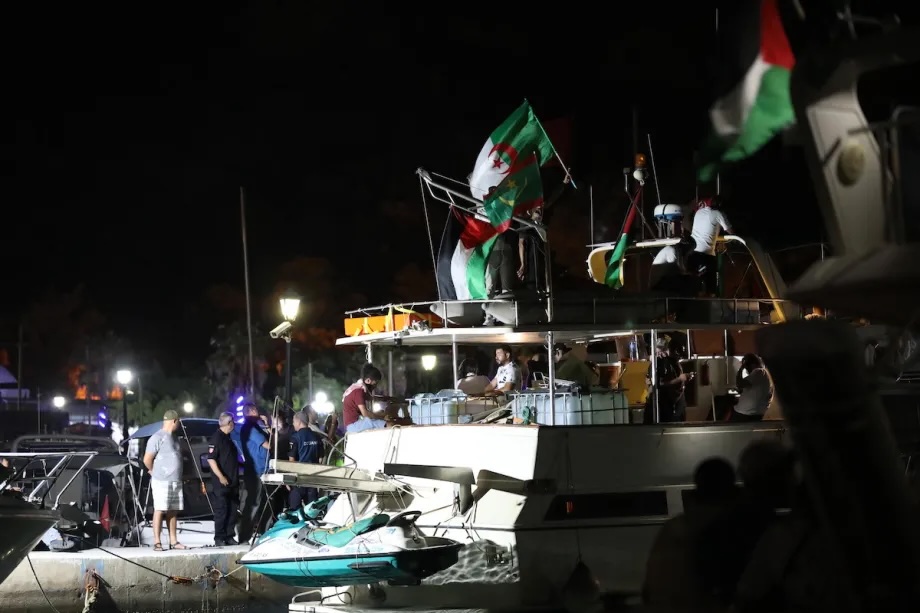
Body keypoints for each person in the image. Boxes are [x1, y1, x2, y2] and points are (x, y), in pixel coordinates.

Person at [143, 409, 188, 551]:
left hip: (176, 480)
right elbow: (147, 459)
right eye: (179, 422)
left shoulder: (175, 438)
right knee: (160, 509)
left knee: (173, 511)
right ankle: (157, 542)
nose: (179, 424)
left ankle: (174, 541)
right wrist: (152, 471)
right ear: (174, 421)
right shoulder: (157, 437)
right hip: (161, 480)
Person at [342, 363, 411, 433]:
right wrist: (383, 417)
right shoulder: (358, 392)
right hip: (353, 426)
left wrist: (390, 399)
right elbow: (365, 414)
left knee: (382, 416)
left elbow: (372, 398)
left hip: (355, 424)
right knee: (391, 424)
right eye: (375, 383)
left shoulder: (359, 388)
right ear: (368, 381)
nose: (375, 386)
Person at [688, 196, 734, 296]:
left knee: (695, 287)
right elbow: (730, 231)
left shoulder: (699, 212)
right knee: (711, 287)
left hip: (692, 253)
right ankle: (710, 306)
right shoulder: (718, 213)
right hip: (706, 255)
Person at [238, 403, 271, 542]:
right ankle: (244, 536)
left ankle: (265, 533)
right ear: (250, 412)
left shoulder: (256, 426)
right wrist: (267, 424)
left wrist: (267, 425)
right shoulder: (250, 428)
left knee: (266, 502)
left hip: (263, 469)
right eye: (256, 410)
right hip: (256, 471)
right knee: (253, 503)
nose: (259, 412)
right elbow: (269, 445)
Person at [206, 412, 240, 546]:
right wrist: (221, 476)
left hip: (232, 481)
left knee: (232, 509)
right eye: (233, 422)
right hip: (222, 482)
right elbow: (211, 459)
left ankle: (229, 535)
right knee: (222, 510)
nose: (234, 425)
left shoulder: (229, 438)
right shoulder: (216, 438)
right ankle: (219, 537)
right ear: (229, 423)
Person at [645, 336, 692, 423]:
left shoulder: (673, 363)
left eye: (664, 351)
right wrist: (679, 379)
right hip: (662, 408)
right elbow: (658, 384)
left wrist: (684, 379)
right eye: (659, 352)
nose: (662, 354)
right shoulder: (657, 364)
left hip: (676, 405)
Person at [288, 410, 322, 509]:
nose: (293, 424)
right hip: (312, 478)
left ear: (298, 422)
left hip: (299, 479)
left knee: (295, 510)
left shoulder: (295, 437)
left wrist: (290, 480)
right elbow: (321, 458)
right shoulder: (317, 436)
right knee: (312, 510)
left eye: (294, 422)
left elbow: (292, 460)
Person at [731, 354, 774, 422]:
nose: (746, 370)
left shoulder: (759, 371)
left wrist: (741, 369)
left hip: (745, 413)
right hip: (757, 413)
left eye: (747, 367)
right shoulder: (764, 374)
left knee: (723, 403)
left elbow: (739, 384)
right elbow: (755, 390)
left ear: (751, 364)